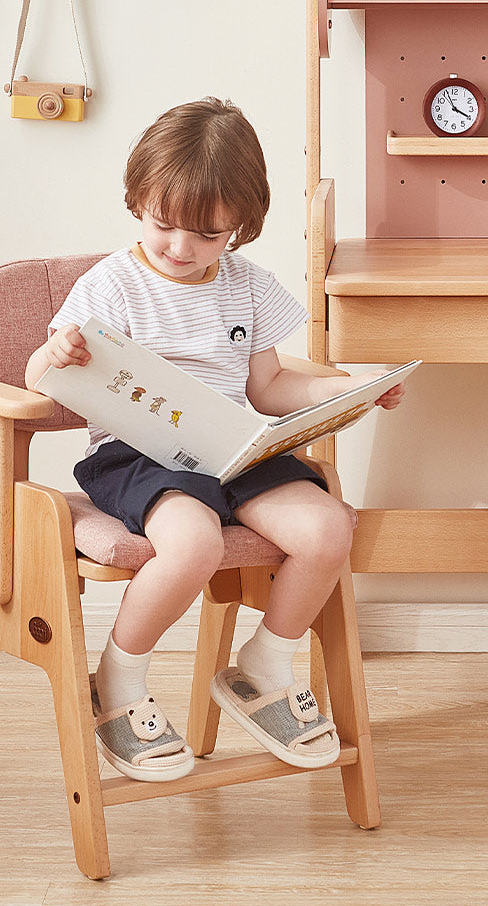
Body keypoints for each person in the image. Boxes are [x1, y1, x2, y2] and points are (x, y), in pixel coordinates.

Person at [24, 97, 405, 782]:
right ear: (136, 199)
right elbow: (37, 377)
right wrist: (57, 353)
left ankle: (263, 668)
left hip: (233, 445)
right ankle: (118, 679)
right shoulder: (111, 285)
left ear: (242, 225)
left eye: (206, 233)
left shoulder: (249, 288)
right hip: (137, 455)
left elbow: (269, 388)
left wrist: (341, 392)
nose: (180, 246)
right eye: (163, 224)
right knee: (194, 542)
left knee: (326, 529)